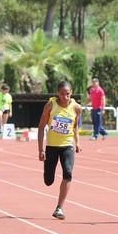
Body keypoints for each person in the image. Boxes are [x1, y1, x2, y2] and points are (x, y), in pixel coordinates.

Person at [37, 81, 83, 220]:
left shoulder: (77, 108)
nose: (65, 97)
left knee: (68, 173)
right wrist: (40, 149)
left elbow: (75, 126)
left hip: (67, 145)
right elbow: (41, 127)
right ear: (58, 93)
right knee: (48, 180)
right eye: (62, 94)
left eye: (68, 94)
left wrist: (77, 142)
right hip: (51, 146)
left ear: (71, 93)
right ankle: (47, 174)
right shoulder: (50, 105)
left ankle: (59, 208)